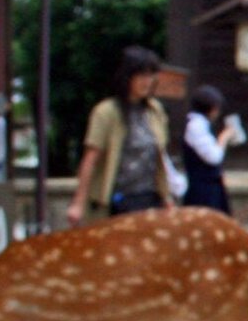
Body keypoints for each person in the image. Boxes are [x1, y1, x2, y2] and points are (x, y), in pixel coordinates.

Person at [67, 46, 175, 226]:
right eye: (141, 76)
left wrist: (166, 196)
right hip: (117, 200)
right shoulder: (106, 112)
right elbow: (90, 159)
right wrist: (78, 203)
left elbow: (159, 158)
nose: (147, 82)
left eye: (150, 75)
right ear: (127, 77)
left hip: (149, 198)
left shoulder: (155, 111)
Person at [182, 85, 239, 213]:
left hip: (210, 188)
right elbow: (213, 157)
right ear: (213, 108)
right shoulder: (195, 126)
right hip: (202, 191)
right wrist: (224, 137)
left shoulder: (201, 125)